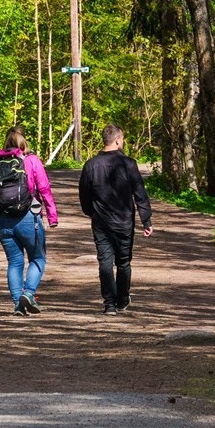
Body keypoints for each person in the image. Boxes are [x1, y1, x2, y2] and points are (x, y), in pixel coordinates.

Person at [78, 124, 153, 313]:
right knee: (123, 262)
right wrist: (146, 219)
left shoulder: (91, 165)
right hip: (124, 222)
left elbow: (84, 194)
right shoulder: (129, 164)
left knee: (105, 261)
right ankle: (121, 300)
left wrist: (91, 213)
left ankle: (109, 304)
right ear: (118, 140)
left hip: (101, 222)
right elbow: (139, 193)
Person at [0, 126, 59, 315]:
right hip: (29, 218)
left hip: (4, 221)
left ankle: (17, 303)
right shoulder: (32, 161)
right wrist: (52, 216)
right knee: (38, 258)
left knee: (14, 262)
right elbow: (44, 189)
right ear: (24, 142)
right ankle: (28, 294)